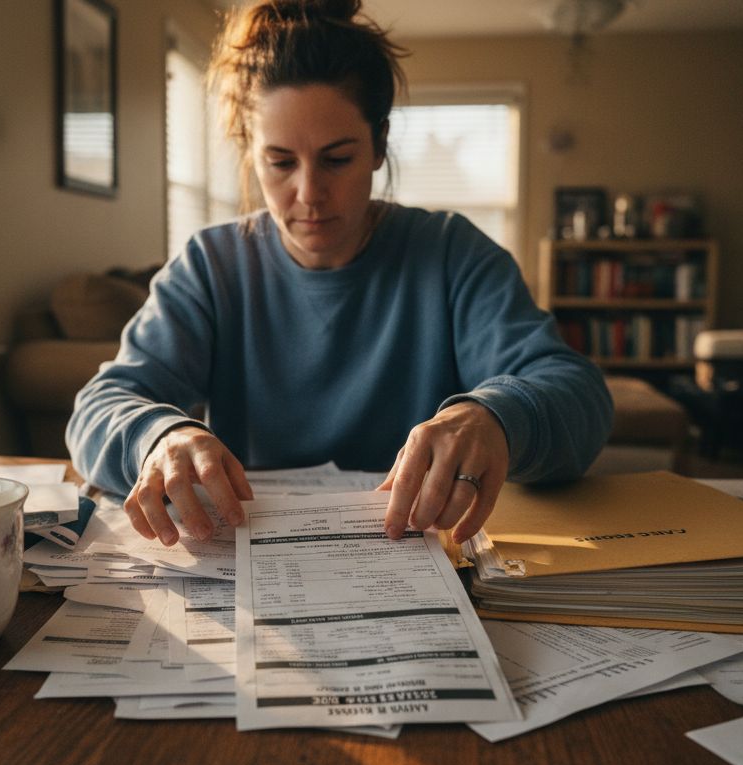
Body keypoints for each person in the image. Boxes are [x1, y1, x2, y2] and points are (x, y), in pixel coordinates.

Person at [67, 0, 612, 548]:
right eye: (280, 163)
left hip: (418, 551)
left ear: (378, 145)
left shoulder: (452, 253)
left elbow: (579, 396)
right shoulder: (211, 265)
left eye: (336, 159)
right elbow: (100, 405)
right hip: (248, 556)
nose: (308, 195)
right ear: (251, 153)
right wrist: (157, 435)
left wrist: (495, 415)